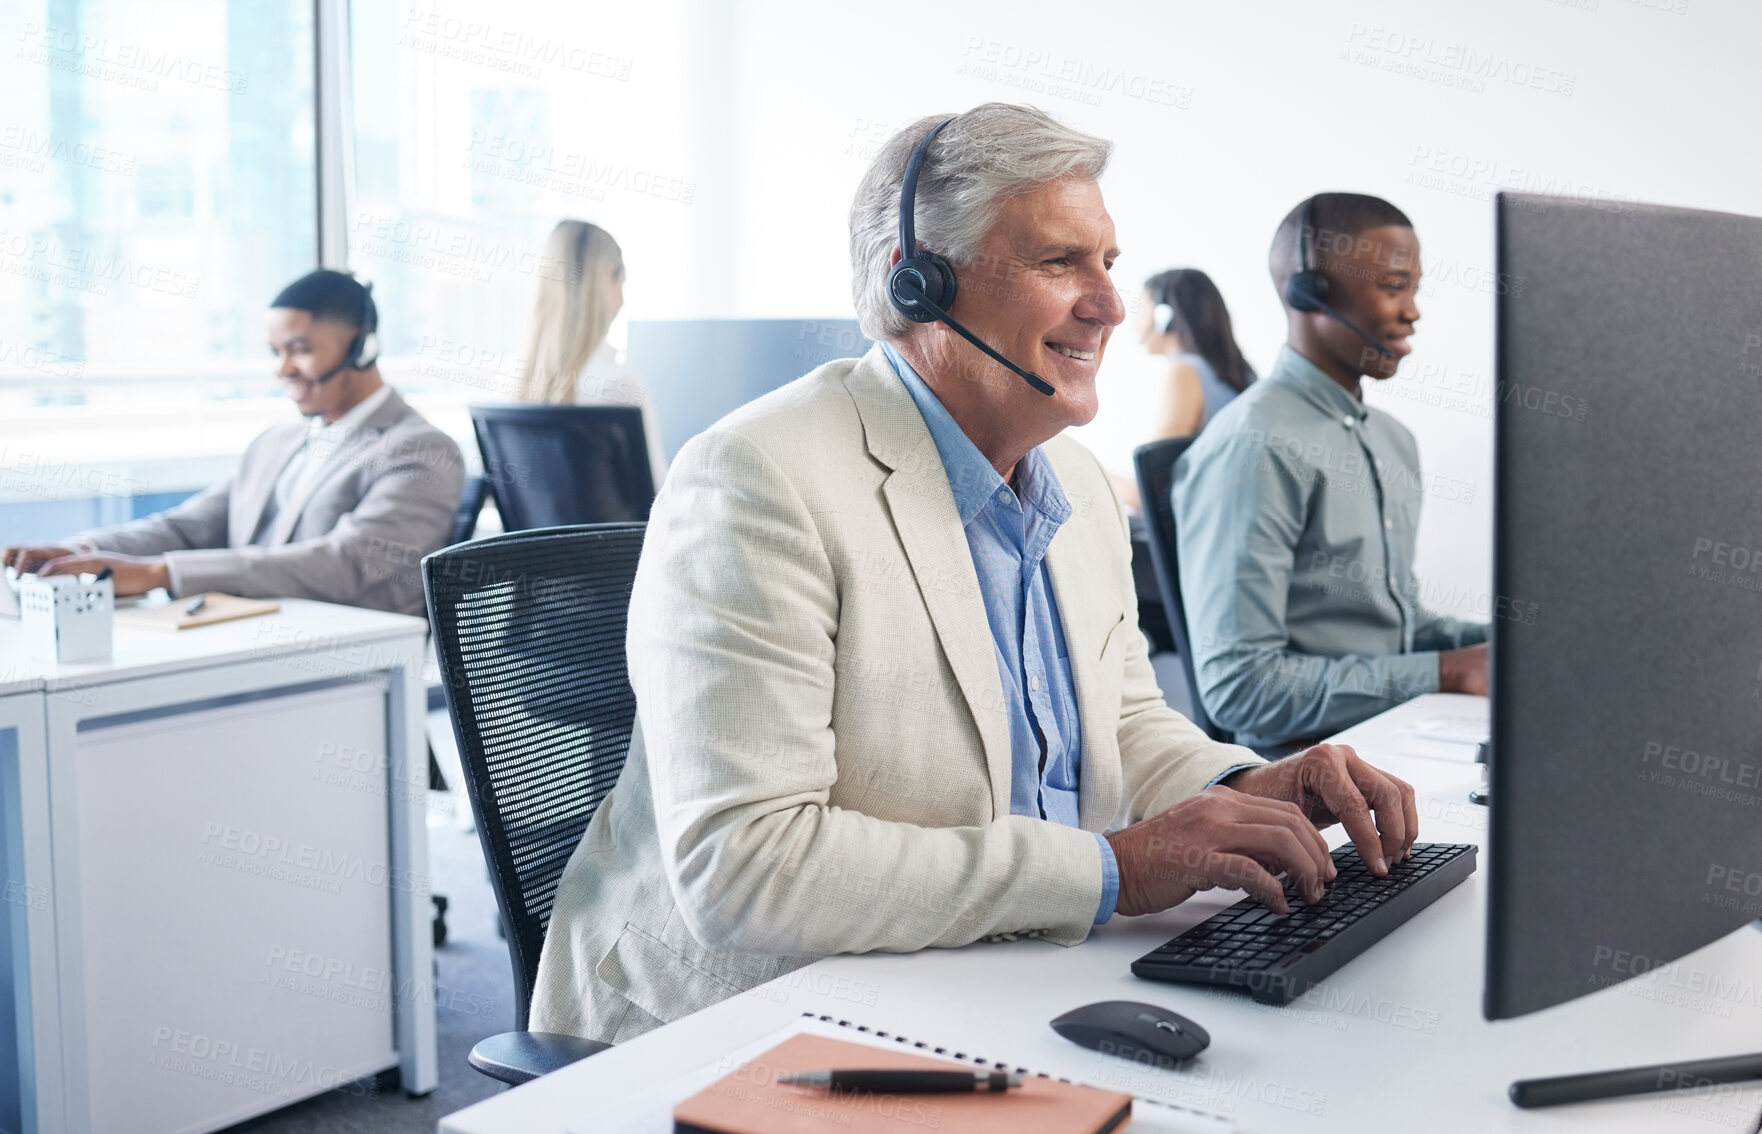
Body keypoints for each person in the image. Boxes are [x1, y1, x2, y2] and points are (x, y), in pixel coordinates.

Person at [529, 106, 1419, 1046]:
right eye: (1058, 262)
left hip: (989, 974)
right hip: (749, 1018)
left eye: (1108, 263)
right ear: (918, 286)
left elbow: (1119, 722)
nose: (1112, 305)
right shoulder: (759, 479)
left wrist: (1247, 788)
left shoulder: (1067, 474)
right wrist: (1113, 870)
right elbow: (746, 868)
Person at [1173, 193, 1488, 752]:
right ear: (1308, 291)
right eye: (1394, 287)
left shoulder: (1391, 440)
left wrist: (1498, 645)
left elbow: (1396, 625)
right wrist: (1443, 672)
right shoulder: (1253, 445)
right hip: (1310, 775)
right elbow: (1238, 686)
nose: (1412, 311)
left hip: (1403, 736)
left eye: (1414, 288)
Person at [1, 270, 463, 617]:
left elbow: (345, 564)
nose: (283, 369)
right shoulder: (277, 441)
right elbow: (187, 528)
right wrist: (82, 551)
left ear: (362, 347)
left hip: (344, 668)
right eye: (275, 352)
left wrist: (161, 573)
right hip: (247, 642)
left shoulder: (420, 449)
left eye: (300, 349)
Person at [513, 219, 665, 486]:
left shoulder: (518, 387)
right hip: (626, 530)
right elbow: (660, 501)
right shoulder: (619, 385)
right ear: (609, 276)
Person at [1113, 267, 1255, 508]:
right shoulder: (1242, 374)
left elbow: (1148, 493)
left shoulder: (1185, 373)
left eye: (1141, 311)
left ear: (1163, 317)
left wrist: (1091, 475)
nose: (1135, 325)